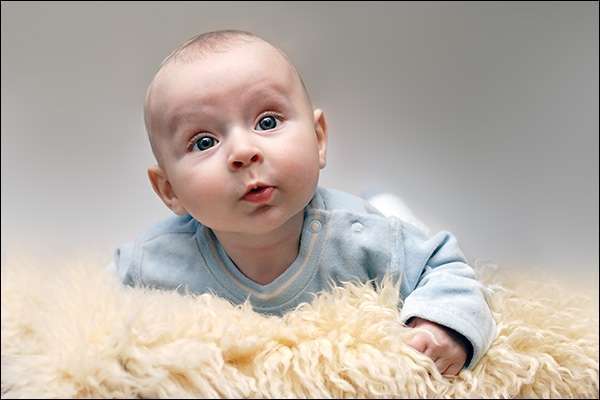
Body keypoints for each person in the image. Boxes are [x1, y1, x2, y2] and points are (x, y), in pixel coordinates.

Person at [110, 30, 496, 376]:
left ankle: (388, 204)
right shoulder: (152, 260)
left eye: (267, 122)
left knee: (401, 226)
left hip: (369, 217)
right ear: (169, 191)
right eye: (204, 142)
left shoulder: (363, 235)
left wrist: (441, 326)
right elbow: (92, 316)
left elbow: (446, 268)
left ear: (319, 139)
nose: (243, 151)